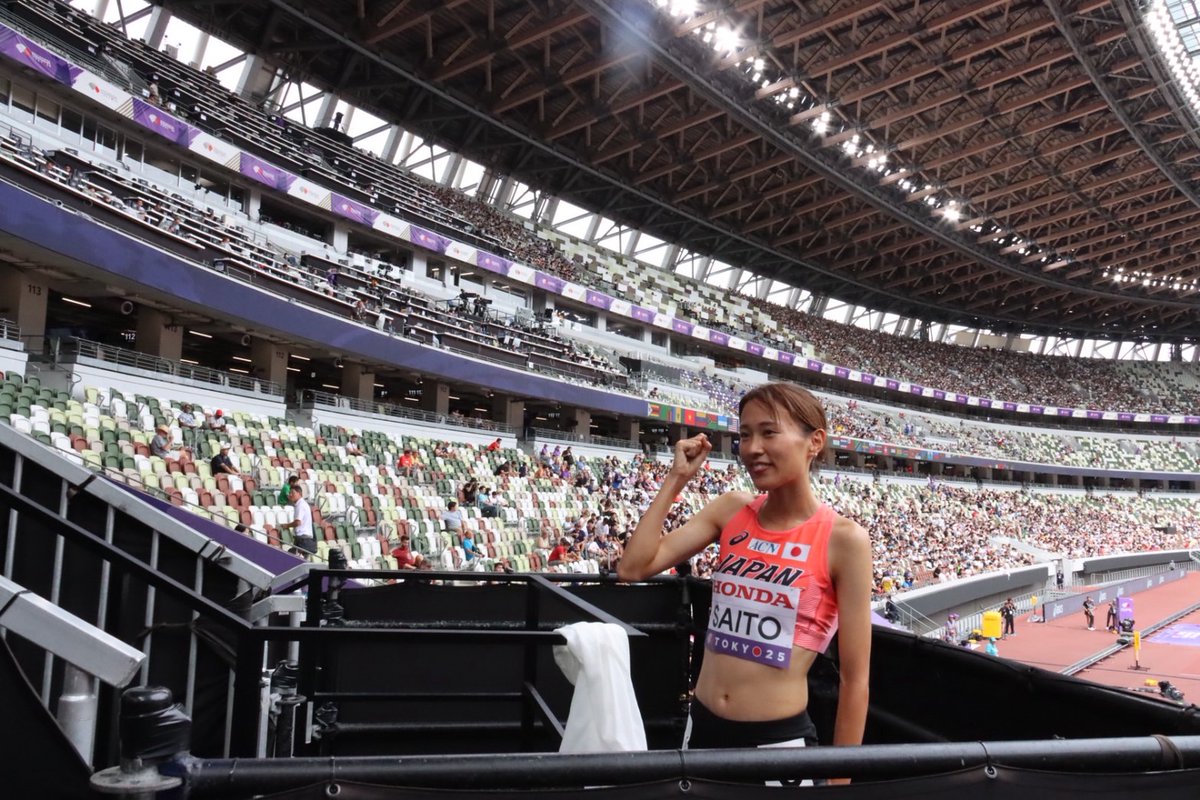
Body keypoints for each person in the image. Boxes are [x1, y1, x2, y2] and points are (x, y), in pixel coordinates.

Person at [617, 383, 870, 780]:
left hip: (777, 746)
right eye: (745, 435)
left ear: (814, 441)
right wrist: (676, 479)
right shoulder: (731, 509)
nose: (752, 448)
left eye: (769, 432)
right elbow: (633, 568)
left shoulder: (844, 539)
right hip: (700, 730)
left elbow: (856, 679)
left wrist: (839, 782)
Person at [281, 486, 316, 555]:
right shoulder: (301, 504)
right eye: (290, 493)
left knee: (294, 558)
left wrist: (287, 525)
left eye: (293, 493)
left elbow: (298, 522)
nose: (290, 495)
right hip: (303, 538)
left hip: (302, 538)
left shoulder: (301, 505)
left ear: (299, 493)